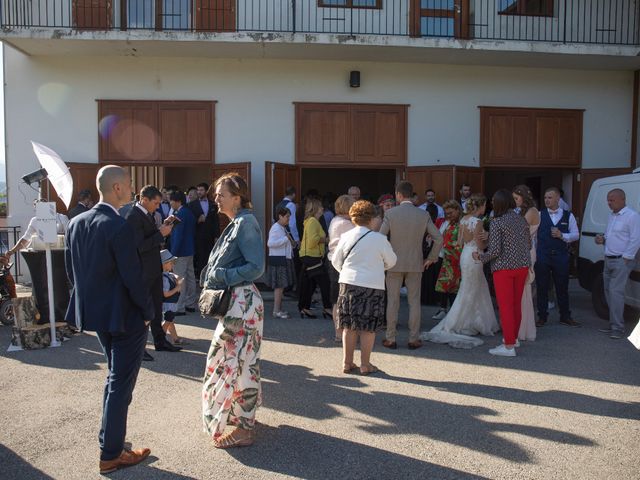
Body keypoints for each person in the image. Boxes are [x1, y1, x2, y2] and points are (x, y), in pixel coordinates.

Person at [65, 165, 154, 474]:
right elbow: (133, 277)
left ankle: (110, 440)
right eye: (129, 184)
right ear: (117, 188)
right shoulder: (119, 226)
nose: (132, 189)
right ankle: (112, 453)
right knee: (120, 383)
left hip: (97, 314)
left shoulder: (76, 223)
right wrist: (148, 313)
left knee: (115, 378)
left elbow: (71, 272)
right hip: (126, 315)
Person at [202, 172, 265, 449]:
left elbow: (256, 267)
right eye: (216, 193)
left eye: (221, 193)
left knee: (238, 363)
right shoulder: (237, 222)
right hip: (238, 303)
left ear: (237, 197)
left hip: (243, 303)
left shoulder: (245, 223)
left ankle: (244, 429)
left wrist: (221, 276)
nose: (216, 197)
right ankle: (242, 416)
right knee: (236, 361)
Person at [422, 194, 498, 348]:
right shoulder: (477, 222)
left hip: (465, 255)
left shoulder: (463, 220)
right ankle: (467, 321)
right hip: (474, 257)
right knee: (471, 289)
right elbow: (481, 245)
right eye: (484, 205)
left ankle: (470, 319)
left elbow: (460, 241)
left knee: (471, 288)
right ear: (480, 206)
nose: (486, 208)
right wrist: (489, 238)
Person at [332, 201, 396, 375]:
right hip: (372, 285)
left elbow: (336, 261)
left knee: (348, 325)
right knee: (368, 327)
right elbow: (391, 261)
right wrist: (376, 268)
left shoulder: (346, 236)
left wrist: (348, 273)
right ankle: (365, 364)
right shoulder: (380, 239)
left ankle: (347, 362)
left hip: (348, 283)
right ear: (371, 218)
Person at [379, 181, 443, 350]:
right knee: (414, 302)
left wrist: (383, 257)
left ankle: (390, 338)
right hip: (416, 263)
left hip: (393, 263)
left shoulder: (391, 214)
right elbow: (439, 238)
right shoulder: (422, 214)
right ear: (411, 194)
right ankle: (413, 339)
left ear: (399, 195)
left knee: (393, 302)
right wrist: (432, 257)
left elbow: (379, 237)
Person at [473, 189, 531, 357]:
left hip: (504, 268)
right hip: (522, 266)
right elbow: (529, 245)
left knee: (505, 307)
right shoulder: (521, 219)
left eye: (493, 200)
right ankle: (514, 339)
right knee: (515, 304)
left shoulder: (497, 222)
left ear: (499, 203)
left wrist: (480, 257)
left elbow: (495, 250)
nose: (491, 203)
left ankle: (508, 345)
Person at [125, 185, 181, 357]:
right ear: (144, 199)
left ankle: (160, 340)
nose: (158, 206)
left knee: (156, 307)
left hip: (154, 269)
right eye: (155, 203)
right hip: (143, 271)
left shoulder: (146, 214)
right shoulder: (133, 216)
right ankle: (139, 348)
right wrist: (160, 234)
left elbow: (149, 238)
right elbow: (138, 246)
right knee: (143, 310)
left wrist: (163, 227)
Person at [596, 189, 640, 339]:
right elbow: (612, 237)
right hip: (609, 258)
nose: (609, 203)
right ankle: (613, 323)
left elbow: (636, 239)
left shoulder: (632, 216)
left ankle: (617, 328)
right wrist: (603, 239)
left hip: (622, 260)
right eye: (608, 200)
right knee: (608, 291)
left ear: (622, 199)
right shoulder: (612, 216)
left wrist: (626, 258)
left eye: (612, 200)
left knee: (615, 293)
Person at [535, 187, 580, 327]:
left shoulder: (568, 215)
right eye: (545, 198)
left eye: (550, 197)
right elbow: (533, 236)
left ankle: (565, 316)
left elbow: (576, 234)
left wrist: (562, 235)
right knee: (541, 287)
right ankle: (542, 316)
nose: (547, 200)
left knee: (562, 287)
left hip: (561, 256)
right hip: (543, 255)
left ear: (558, 199)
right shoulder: (539, 214)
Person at [513, 185, 540, 342]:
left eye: (516, 198)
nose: (514, 201)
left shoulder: (532, 211)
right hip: (520, 249)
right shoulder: (521, 211)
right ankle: (516, 324)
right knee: (519, 290)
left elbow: (519, 232)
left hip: (526, 251)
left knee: (524, 290)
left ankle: (524, 327)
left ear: (524, 197)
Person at [298, 198, 332, 319]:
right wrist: (327, 240)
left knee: (309, 283)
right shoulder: (312, 221)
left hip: (309, 256)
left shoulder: (311, 221)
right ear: (316, 208)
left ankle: (305, 308)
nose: (323, 208)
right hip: (312, 257)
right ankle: (327, 308)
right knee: (325, 282)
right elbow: (313, 241)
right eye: (321, 206)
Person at [327, 195, 356, 341]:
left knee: (337, 300)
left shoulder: (335, 220)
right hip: (341, 264)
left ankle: (339, 332)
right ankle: (340, 332)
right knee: (340, 300)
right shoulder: (346, 224)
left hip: (334, 262)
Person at [168, 190, 198, 315]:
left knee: (179, 279)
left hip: (180, 251)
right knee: (190, 277)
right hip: (189, 249)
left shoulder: (179, 214)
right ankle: (190, 304)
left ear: (177, 201)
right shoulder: (189, 212)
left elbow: (178, 236)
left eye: (172, 201)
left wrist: (173, 254)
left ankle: (179, 307)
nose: (171, 204)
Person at [433, 201, 463, 320]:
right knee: (444, 284)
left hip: (457, 259)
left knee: (455, 285)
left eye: (451, 213)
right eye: (447, 213)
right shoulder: (448, 223)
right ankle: (443, 309)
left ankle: (452, 311)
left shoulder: (462, 222)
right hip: (446, 258)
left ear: (457, 210)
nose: (448, 215)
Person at [267, 206, 296, 318]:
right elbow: (270, 243)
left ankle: (278, 309)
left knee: (281, 287)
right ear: (280, 216)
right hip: (278, 260)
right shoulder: (276, 228)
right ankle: (276, 311)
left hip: (282, 259)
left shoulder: (282, 227)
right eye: (287, 216)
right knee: (279, 287)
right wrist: (286, 239)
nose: (289, 219)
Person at [187, 182, 220, 278]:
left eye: (201, 190)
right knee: (199, 257)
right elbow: (189, 221)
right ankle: (200, 277)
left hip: (209, 236)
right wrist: (197, 220)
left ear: (206, 191)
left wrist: (217, 236)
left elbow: (216, 222)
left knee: (210, 256)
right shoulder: (191, 205)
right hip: (197, 236)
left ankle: (209, 276)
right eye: (198, 190)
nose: (199, 192)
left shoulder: (213, 204)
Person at [160, 249, 186, 345]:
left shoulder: (167, 275)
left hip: (171, 304)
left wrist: (177, 278)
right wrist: (177, 288)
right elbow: (165, 294)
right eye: (171, 263)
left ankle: (175, 338)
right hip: (168, 305)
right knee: (167, 322)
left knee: (170, 322)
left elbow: (177, 277)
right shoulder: (164, 279)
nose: (172, 264)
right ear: (165, 264)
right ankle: (160, 339)